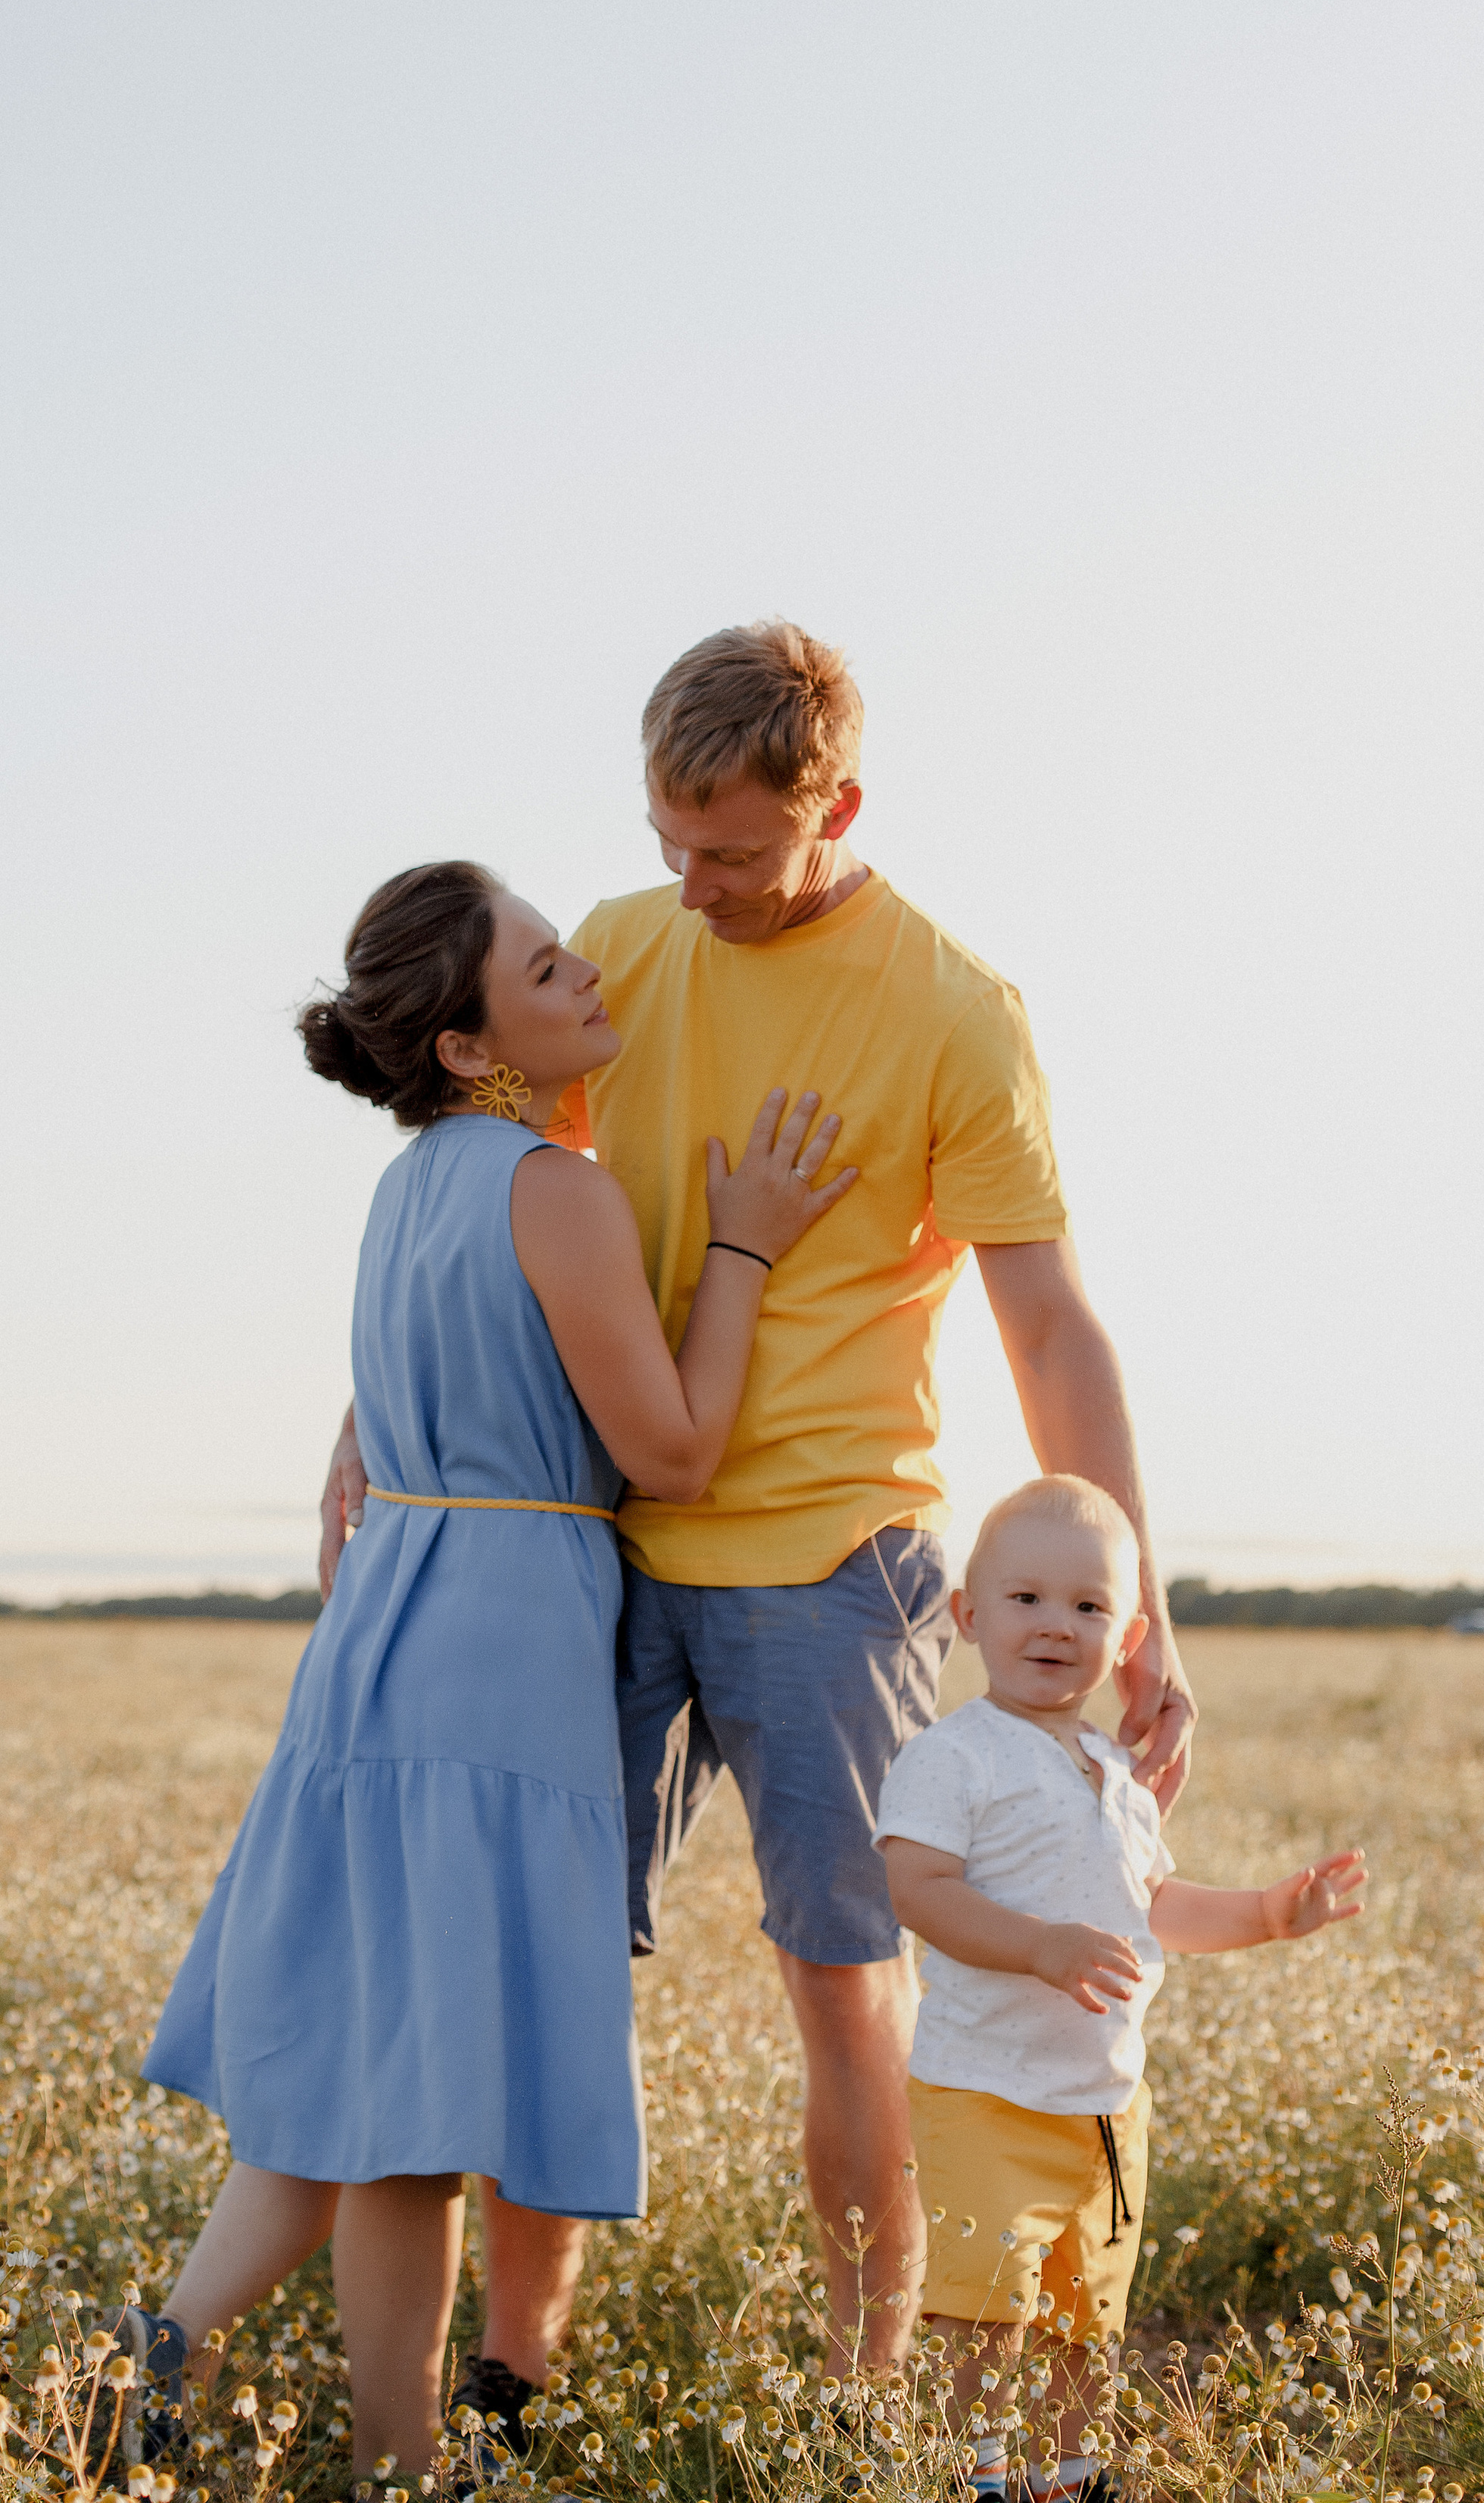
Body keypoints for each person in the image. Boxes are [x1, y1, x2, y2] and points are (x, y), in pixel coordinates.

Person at [321, 617, 1199, 2367]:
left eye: (726, 848)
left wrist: (1141, 1603)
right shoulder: (624, 954)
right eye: (664, 838)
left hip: (835, 1567)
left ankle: (860, 2393)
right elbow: (500, 1201)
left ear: (833, 806)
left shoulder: (951, 1009)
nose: (686, 881)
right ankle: (510, 2377)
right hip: (600, 1554)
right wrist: (374, 1415)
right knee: (546, 1978)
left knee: (846, 1994)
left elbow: (1045, 1322)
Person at [123, 859, 859, 2480]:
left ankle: (165, 2367)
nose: (585, 974)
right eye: (543, 968)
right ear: (470, 1043)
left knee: (359, 2089)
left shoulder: (410, 1189)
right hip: (500, 1636)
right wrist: (738, 1248)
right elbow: (667, 1451)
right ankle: (388, 2461)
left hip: (384, 1629)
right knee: (422, 2103)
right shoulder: (554, 1189)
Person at [875, 1475, 1364, 2499]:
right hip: (985, 2092)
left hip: (1102, 2101)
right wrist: (1038, 1947)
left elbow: (1157, 1908)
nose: (1058, 1625)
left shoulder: (1113, 1770)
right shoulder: (951, 1755)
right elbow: (917, 1891)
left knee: (1085, 2315)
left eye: (1090, 1607)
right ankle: (979, 2474)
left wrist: (1272, 1914)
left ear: (1130, 1634)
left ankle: (1074, 2473)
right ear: (968, 1617)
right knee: (984, 2312)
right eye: (1027, 1599)